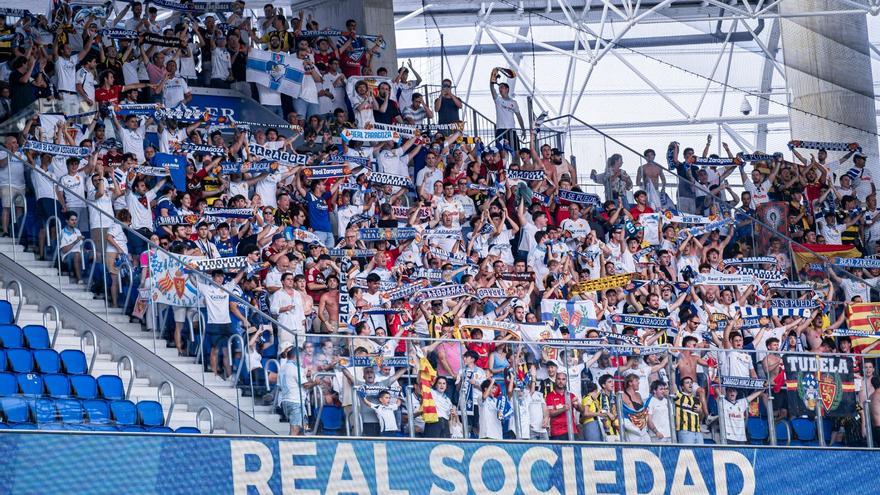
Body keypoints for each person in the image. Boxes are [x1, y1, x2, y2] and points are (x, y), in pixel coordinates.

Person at [278, 342, 318, 435]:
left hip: (286, 401)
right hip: (295, 402)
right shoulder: (296, 368)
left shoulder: (282, 368)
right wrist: (316, 382)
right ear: (297, 356)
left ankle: (306, 433)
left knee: (303, 426)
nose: (303, 359)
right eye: (302, 356)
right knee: (295, 429)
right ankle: (288, 447)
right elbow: (306, 385)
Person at [545, 372, 583, 440]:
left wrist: (578, 403)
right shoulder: (550, 396)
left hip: (572, 430)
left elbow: (582, 411)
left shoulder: (571, 395)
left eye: (563, 379)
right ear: (555, 380)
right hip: (557, 432)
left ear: (566, 381)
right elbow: (550, 413)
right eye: (559, 379)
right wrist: (563, 409)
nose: (561, 381)